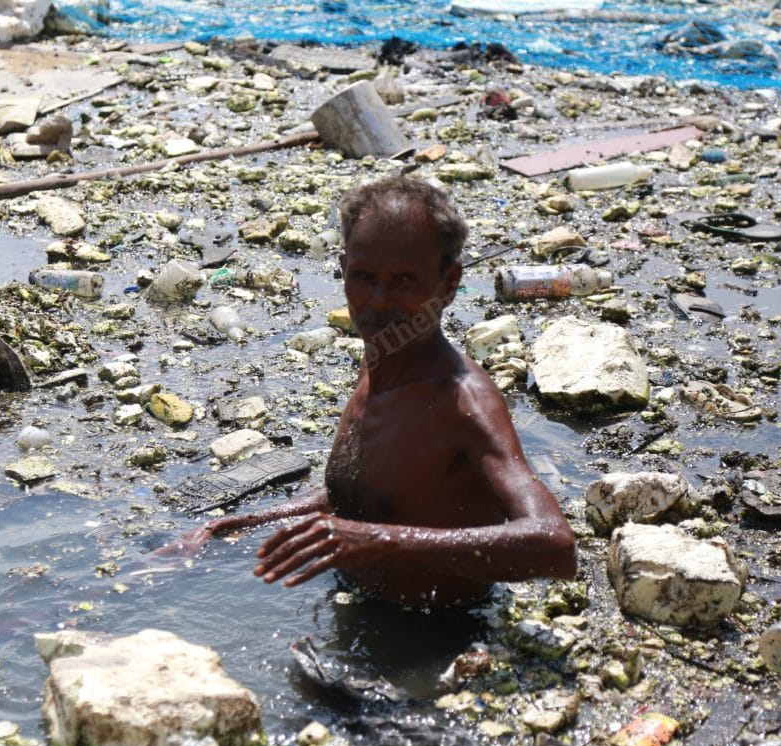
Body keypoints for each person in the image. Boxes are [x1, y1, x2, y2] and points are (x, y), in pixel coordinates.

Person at [164, 176, 576, 607]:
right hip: (353, 603)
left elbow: (555, 545)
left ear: (449, 283)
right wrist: (232, 526)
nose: (379, 300)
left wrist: (382, 540)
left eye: (404, 280)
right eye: (364, 277)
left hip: (437, 637)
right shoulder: (381, 360)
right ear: (342, 271)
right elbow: (362, 500)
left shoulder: (463, 401)